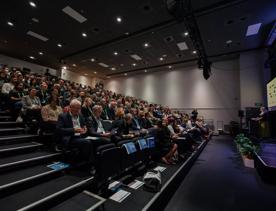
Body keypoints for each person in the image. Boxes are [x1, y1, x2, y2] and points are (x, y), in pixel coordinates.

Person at [56, 99, 93, 165]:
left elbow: (84, 125)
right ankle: (89, 163)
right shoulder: (62, 116)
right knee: (87, 142)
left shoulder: (80, 115)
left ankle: (91, 161)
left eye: (79, 108)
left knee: (97, 141)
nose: (78, 110)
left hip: (81, 136)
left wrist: (85, 128)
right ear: (71, 107)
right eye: (76, 108)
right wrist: (73, 130)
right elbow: (59, 130)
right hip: (70, 138)